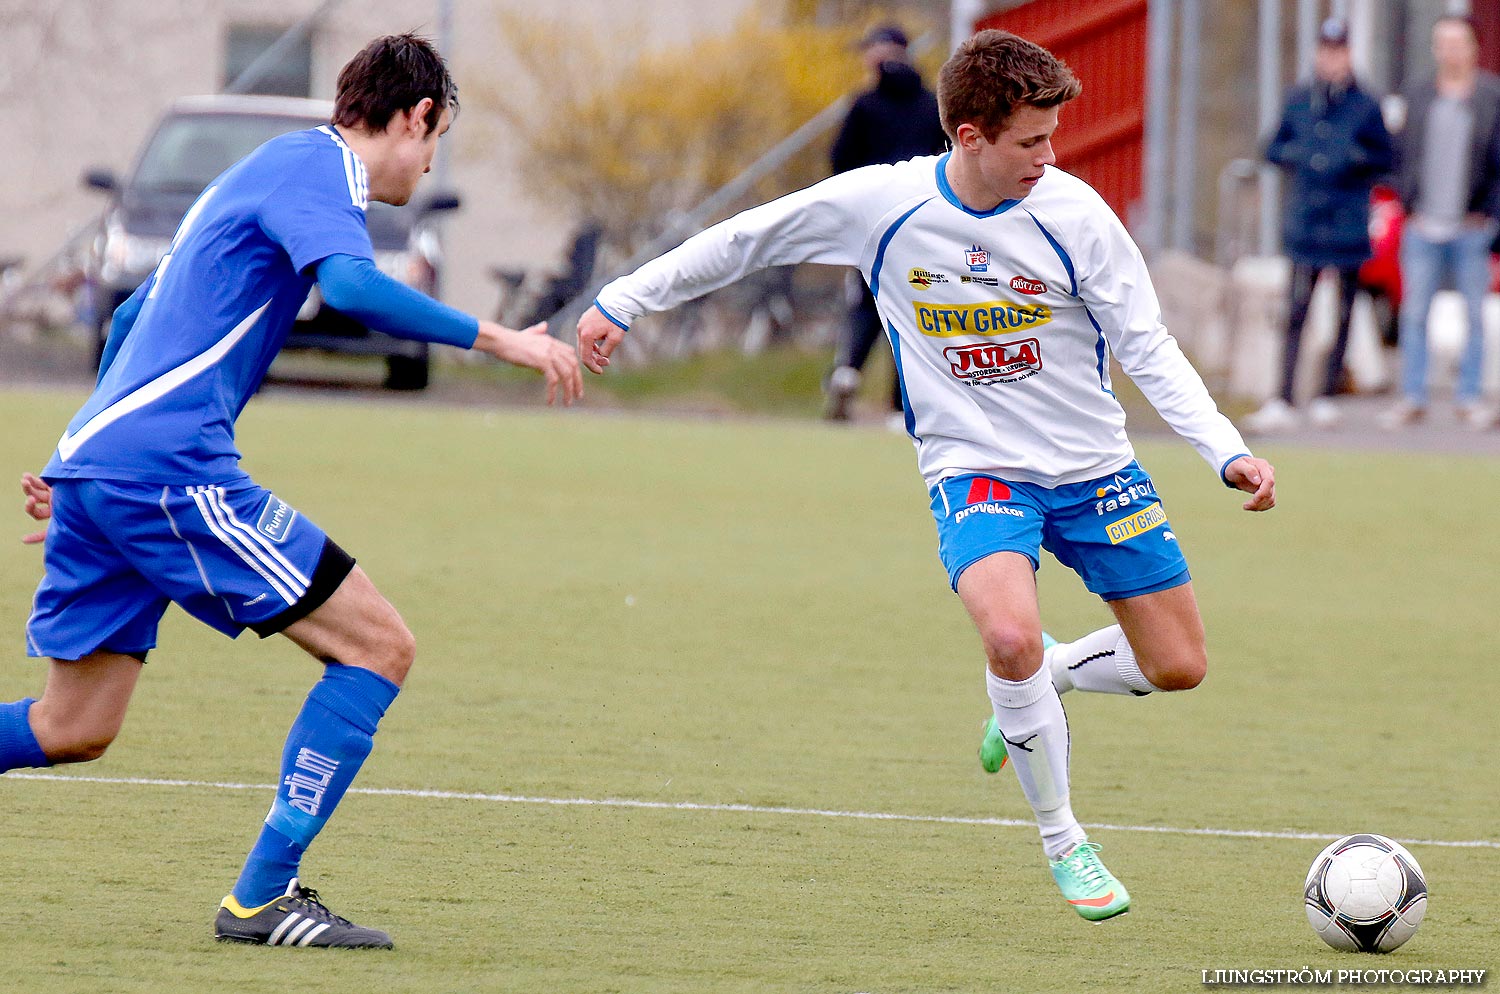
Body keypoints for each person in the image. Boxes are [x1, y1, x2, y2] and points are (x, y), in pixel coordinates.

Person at [577, 30, 1275, 922]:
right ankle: (1066, 839)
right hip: (977, 469)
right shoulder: (884, 204)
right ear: (969, 134)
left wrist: (1225, 447)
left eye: (1052, 137)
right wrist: (621, 301)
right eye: (1030, 141)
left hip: (1096, 469)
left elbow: (1147, 344)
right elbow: (746, 240)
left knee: (1177, 667)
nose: (1049, 157)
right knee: (1008, 638)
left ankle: (1050, 679)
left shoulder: (1077, 216)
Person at [2, 34, 581, 949]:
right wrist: (503, 339)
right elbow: (351, 285)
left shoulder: (262, 170)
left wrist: (84, 466)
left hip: (109, 463)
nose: (429, 164)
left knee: (70, 725)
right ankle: (261, 899)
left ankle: (262, 897)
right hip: (167, 471)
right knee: (380, 647)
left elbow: (127, 318)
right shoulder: (320, 171)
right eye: (435, 142)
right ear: (417, 116)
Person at [1246, 18, 1394, 434]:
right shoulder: (1300, 99)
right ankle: (1284, 394)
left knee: (1345, 310)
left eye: (1339, 51)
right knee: (1296, 309)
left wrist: (1351, 158)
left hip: (1346, 223)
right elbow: (1273, 147)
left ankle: (1328, 392)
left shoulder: (1366, 105)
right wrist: (1306, 155)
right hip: (1306, 223)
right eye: (1326, 51)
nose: (1331, 59)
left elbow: (1387, 157)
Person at [824, 23, 950, 423]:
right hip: (921, 220)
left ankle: (848, 370)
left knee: (866, 300)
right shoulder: (933, 103)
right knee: (912, 308)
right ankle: (901, 406)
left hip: (871, 219)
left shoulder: (864, 105)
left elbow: (840, 161)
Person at [1384, 14, 1500, 429]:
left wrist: (1491, 216)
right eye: (1442, 43)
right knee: (1415, 312)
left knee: (1474, 312)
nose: (1449, 51)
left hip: (1471, 226)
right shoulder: (1416, 95)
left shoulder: (1491, 97)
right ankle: (1413, 395)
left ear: (1472, 47)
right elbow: (1396, 154)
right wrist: (1406, 199)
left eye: (1457, 43)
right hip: (1423, 224)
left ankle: (1469, 397)